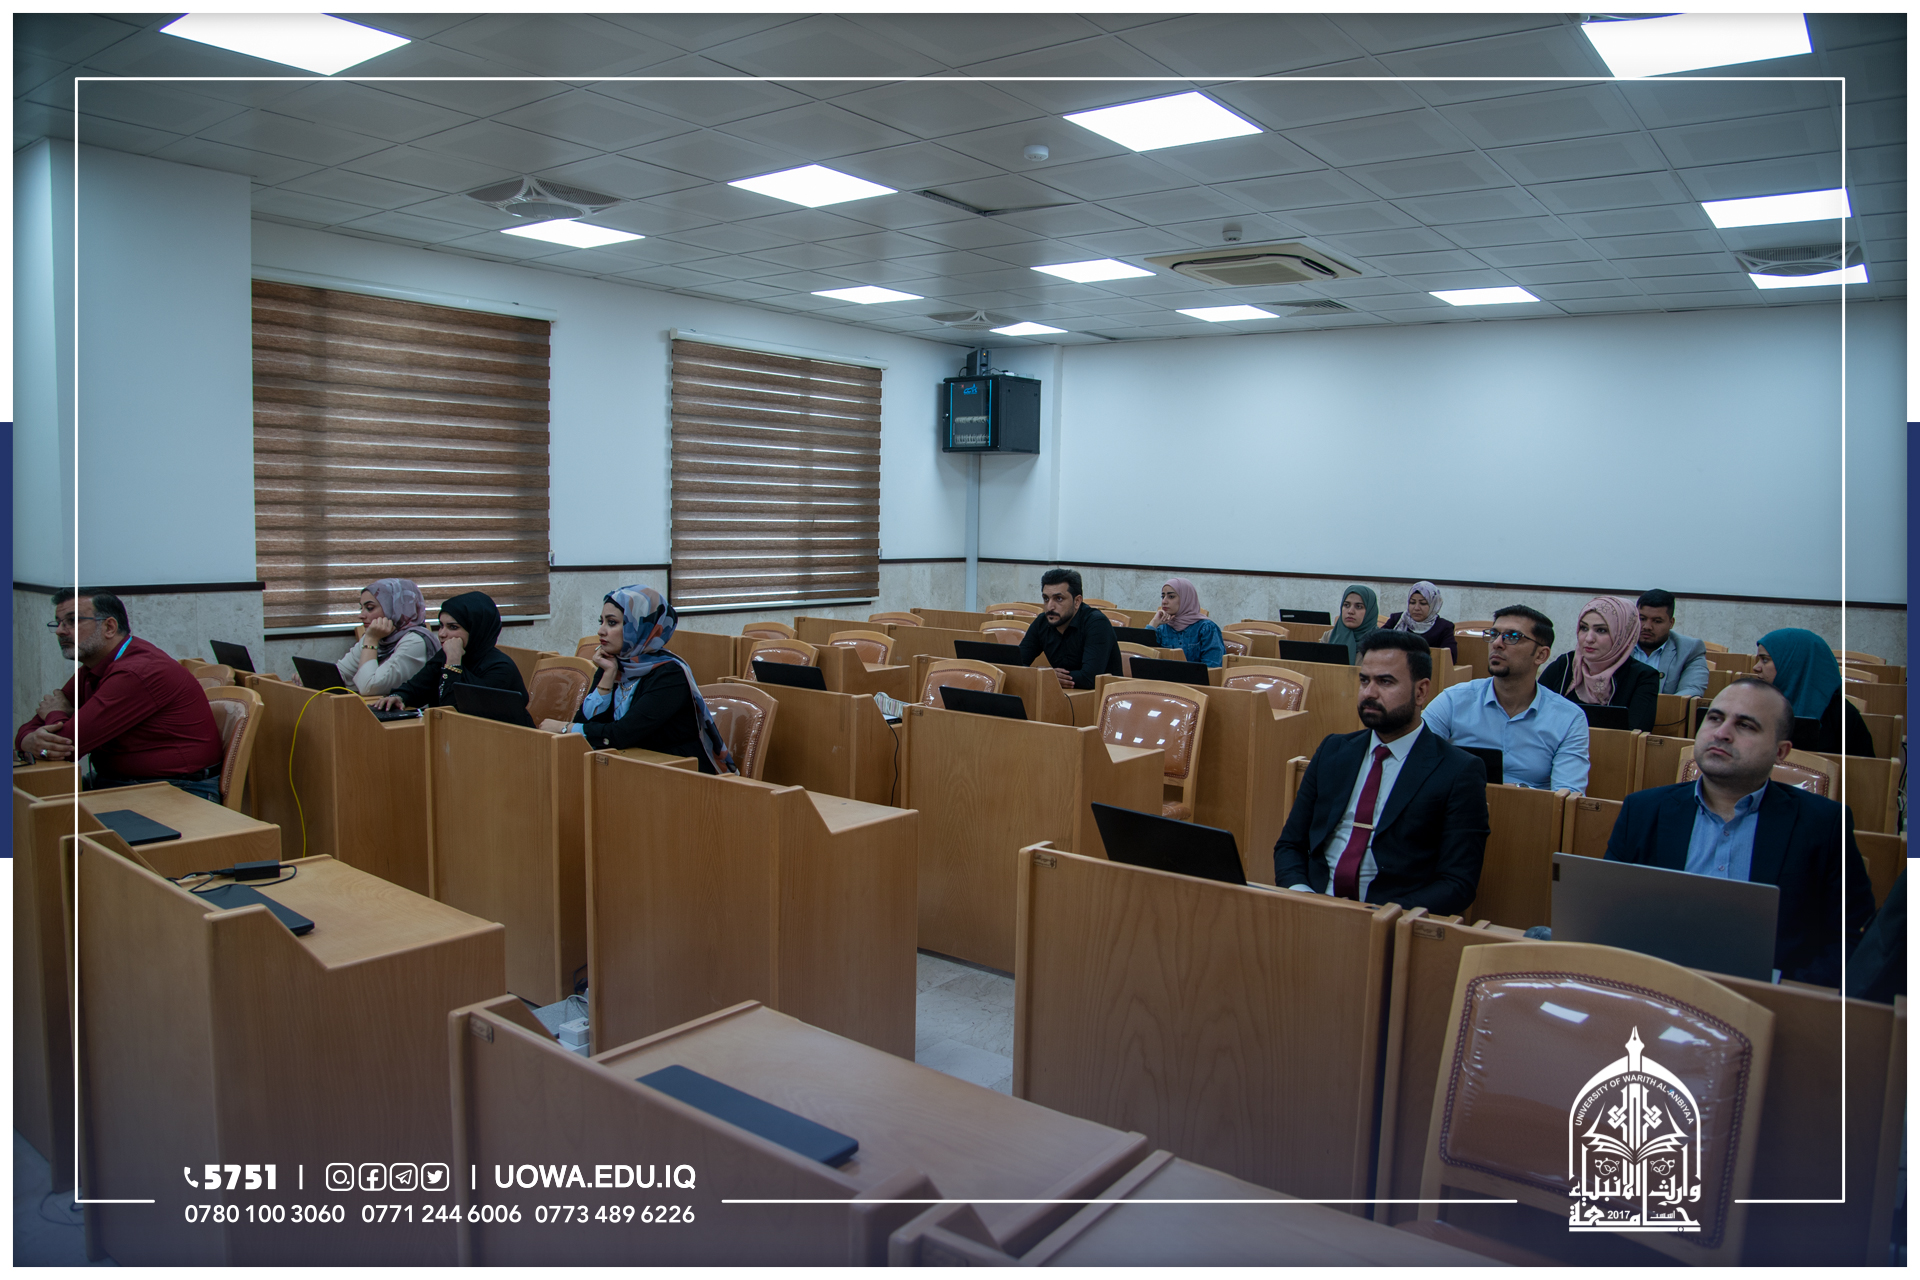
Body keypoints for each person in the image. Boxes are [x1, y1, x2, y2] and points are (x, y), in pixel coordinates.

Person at [1604, 677, 1872, 987]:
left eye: (1745, 725)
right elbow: (1609, 916)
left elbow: (1850, 937)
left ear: (1780, 751)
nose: (1721, 733)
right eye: (1715, 718)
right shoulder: (1642, 810)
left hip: (1767, 999)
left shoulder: (1823, 824)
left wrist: (1785, 992)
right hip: (1654, 987)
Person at [1273, 631, 1489, 915]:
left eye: (1385, 682)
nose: (1369, 693)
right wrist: (1302, 895)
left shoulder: (1458, 770)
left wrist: (1382, 917)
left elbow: (1458, 883)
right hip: (1313, 906)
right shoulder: (1334, 750)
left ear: (1421, 692)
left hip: (1392, 919)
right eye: (1365, 680)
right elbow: (1290, 845)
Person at [14, 588, 224, 802]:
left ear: (109, 627)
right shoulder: (94, 666)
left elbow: (67, 746)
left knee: (42, 813)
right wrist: (28, 741)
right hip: (120, 782)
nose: (60, 631)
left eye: (72, 621)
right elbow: (30, 729)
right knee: (23, 802)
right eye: (58, 623)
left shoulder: (137, 671)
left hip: (177, 789)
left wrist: (54, 713)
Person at [538, 585, 735, 775]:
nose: (601, 631)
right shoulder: (615, 665)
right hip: (632, 765)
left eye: (612, 623)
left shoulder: (670, 674)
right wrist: (607, 677)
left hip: (678, 771)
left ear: (639, 627)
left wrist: (564, 728)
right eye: (601, 621)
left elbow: (621, 734)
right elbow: (584, 724)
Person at [1420, 604, 1589, 793]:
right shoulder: (1454, 700)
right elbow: (1416, 761)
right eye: (1494, 634)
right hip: (1457, 803)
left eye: (1513, 637)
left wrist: (1516, 792)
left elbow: (1568, 796)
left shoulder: (1569, 718)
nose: (1497, 644)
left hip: (1531, 809)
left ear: (1541, 655)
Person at [376, 591, 529, 722]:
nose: (442, 634)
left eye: (453, 627)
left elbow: (454, 713)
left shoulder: (501, 668)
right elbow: (418, 686)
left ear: (476, 629)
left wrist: (454, 664)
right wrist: (399, 697)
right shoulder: (446, 654)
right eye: (441, 625)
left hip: (508, 742)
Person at [1538, 595, 1661, 731]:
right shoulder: (1565, 664)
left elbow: (1635, 733)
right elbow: (1534, 714)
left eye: (1601, 630)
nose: (1589, 638)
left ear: (1623, 634)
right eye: (1584, 628)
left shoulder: (1643, 676)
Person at [1752, 627, 1875, 757]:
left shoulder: (1843, 716)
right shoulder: (1753, 705)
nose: (1756, 667)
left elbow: (1862, 768)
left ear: (1793, 663)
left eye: (1765, 660)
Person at [1015, 568, 1122, 690]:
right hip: (1064, 695)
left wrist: (1047, 676)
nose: (1050, 607)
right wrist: (1041, 674)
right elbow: (1015, 665)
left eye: (1059, 599)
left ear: (1077, 601)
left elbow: (1090, 679)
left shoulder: (1097, 623)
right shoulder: (1042, 622)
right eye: (1046, 599)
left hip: (1105, 696)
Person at [333, 577, 439, 696]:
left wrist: (371, 640)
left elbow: (369, 688)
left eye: (370, 608)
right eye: (361, 608)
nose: (361, 615)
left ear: (395, 608)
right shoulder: (378, 635)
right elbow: (338, 674)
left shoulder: (415, 641)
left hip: (408, 708)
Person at [1634, 589, 1709, 697]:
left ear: (1671, 623)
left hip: (1664, 708)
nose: (1647, 626)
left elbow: (1692, 689)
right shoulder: (1618, 644)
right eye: (1642, 619)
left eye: (1657, 621)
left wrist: (1660, 704)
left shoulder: (1690, 649)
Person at [1149, 577, 1224, 667]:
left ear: (1186, 599)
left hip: (1196, 676)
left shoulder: (1206, 628)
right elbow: (1143, 659)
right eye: (1163, 596)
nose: (1164, 601)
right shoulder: (1162, 628)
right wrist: (1153, 623)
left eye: (1171, 597)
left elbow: (1213, 666)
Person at [1386, 580, 1455, 658]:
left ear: (1433, 605)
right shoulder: (1397, 620)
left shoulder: (1444, 627)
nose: (1416, 608)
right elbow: (1377, 642)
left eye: (1423, 603)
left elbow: (1450, 657)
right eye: (1412, 602)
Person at [1323, 585, 1379, 663]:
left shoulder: (1380, 643)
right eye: (1346, 605)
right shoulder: (1329, 636)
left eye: (1359, 607)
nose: (1350, 611)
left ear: (1370, 612)